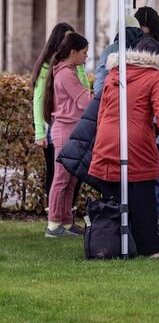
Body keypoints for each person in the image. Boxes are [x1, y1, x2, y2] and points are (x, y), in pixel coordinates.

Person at [89, 44, 159, 257]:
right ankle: (147, 248)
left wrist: (98, 146)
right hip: (136, 142)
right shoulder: (155, 76)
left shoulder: (115, 73)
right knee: (142, 198)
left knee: (113, 200)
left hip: (106, 140)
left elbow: (101, 113)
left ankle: (109, 243)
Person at [31, 22, 90, 205]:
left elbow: (84, 91)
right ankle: (54, 215)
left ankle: (67, 214)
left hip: (73, 124)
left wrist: (79, 68)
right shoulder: (49, 67)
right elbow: (38, 98)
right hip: (55, 125)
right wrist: (40, 131)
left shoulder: (72, 68)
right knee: (57, 174)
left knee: (72, 175)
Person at [43, 32, 93, 238]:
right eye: (84, 52)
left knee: (71, 179)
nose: (86, 57)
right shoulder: (65, 74)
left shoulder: (68, 71)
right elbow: (84, 102)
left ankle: (66, 221)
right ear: (73, 52)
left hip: (71, 130)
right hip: (65, 130)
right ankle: (54, 224)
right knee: (62, 178)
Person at [93, 14, 143, 95]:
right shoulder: (146, 49)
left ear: (118, 31)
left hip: (113, 99)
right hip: (140, 100)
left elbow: (100, 83)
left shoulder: (109, 51)